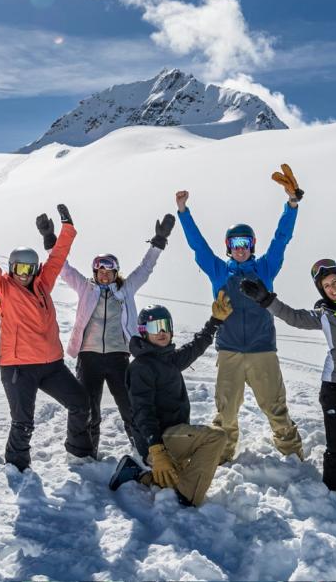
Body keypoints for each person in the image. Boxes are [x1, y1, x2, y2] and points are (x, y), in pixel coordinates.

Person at [0, 206, 94, 471]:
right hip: (18, 368)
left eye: (29, 268)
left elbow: (58, 258)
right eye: (19, 267)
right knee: (23, 422)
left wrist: (67, 228)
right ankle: (16, 468)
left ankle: (79, 453)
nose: (24, 273)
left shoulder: (42, 283)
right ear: (12, 267)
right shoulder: (2, 287)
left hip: (52, 365)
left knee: (80, 402)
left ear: (36, 269)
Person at [174, 164, 304, 463]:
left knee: (275, 407)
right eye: (235, 244)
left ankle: (292, 454)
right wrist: (184, 212)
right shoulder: (219, 271)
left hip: (262, 351)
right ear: (228, 248)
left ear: (252, 246)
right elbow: (198, 245)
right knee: (226, 412)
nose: (241, 248)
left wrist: (292, 205)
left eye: (245, 243)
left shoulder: (265, 269)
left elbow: (281, 239)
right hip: (229, 351)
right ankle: (223, 454)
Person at [240, 258, 336, 498]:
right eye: (326, 286)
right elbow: (292, 316)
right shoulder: (323, 315)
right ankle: (335, 495)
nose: (333, 288)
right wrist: (266, 300)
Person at [52, 213, 176, 457]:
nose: (104, 273)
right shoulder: (85, 288)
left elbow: (145, 268)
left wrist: (158, 242)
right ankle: (85, 452)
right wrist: (50, 240)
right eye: (100, 269)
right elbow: (63, 269)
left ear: (116, 271)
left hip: (120, 356)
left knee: (129, 406)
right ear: (95, 272)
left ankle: (143, 449)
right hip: (89, 357)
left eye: (109, 269)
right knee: (89, 408)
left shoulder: (126, 288)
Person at [109, 297, 233, 506]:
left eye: (166, 325)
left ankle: (139, 474)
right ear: (143, 331)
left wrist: (214, 321)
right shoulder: (141, 367)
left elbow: (196, 346)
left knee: (175, 477)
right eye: (155, 326)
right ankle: (185, 498)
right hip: (159, 441)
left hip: (173, 435)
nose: (162, 331)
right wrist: (156, 450)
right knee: (216, 437)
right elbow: (142, 411)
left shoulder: (169, 359)